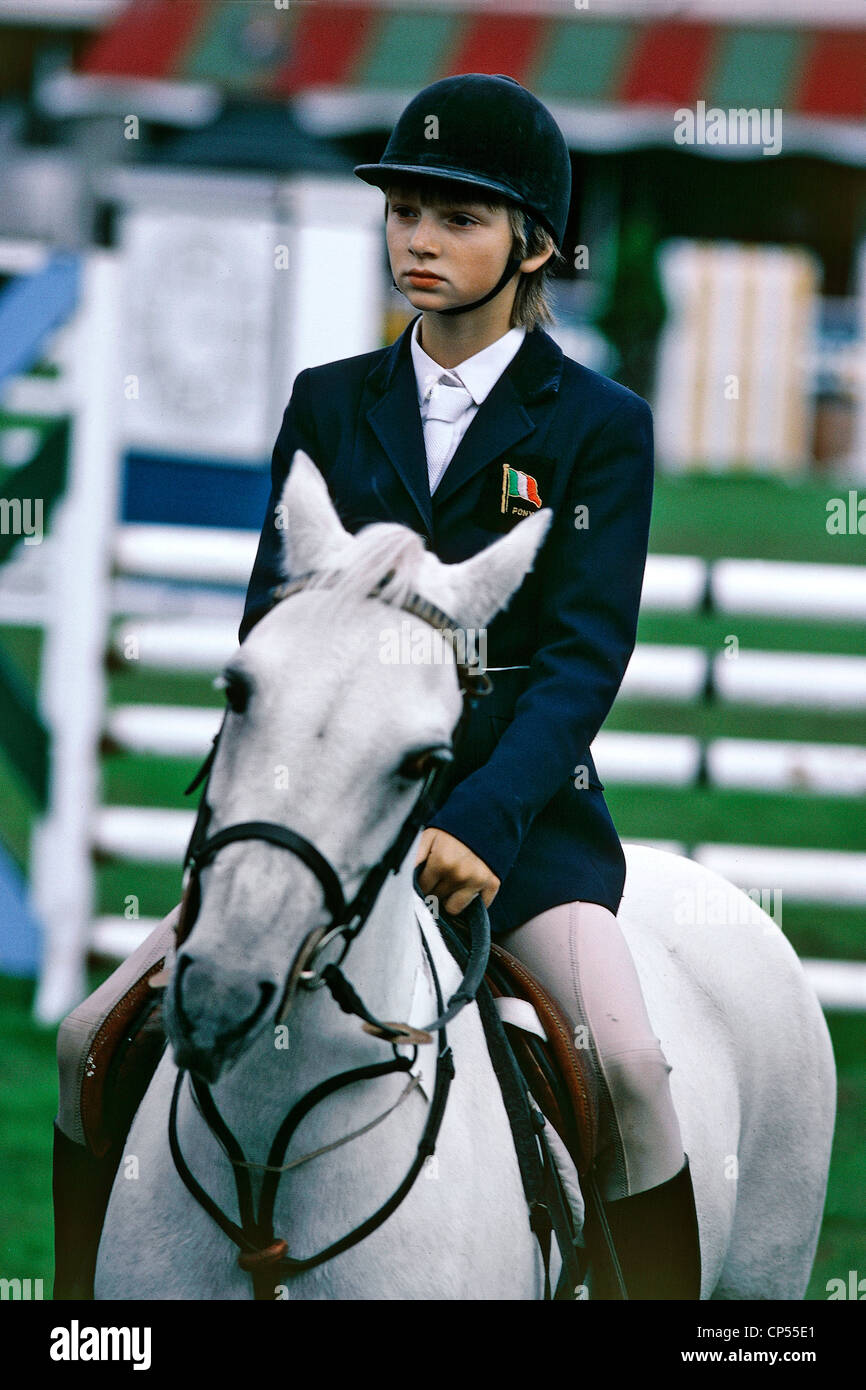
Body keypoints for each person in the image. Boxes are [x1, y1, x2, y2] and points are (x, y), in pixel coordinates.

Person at [52, 73, 700, 1301]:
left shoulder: (596, 424)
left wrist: (483, 818)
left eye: (458, 217)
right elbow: (270, 631)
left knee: (623, 1067)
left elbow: (579, 658)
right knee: (94, 1037)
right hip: (317, 822)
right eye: (404, 209)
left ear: (537, 243)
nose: (419, 239)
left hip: (510, 829)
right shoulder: (329, 404)